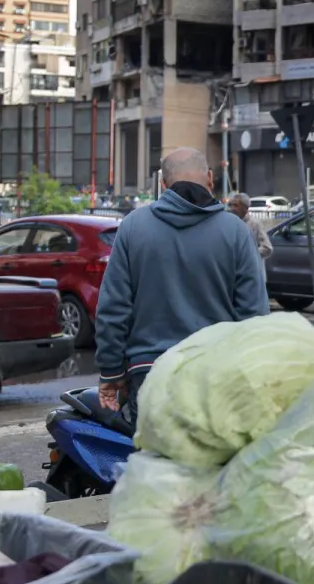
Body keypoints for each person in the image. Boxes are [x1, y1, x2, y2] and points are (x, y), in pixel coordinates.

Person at [95, 148, 270, 416]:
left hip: (149, 373)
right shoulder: (235, 231)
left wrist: (111, 371)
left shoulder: (133, 226)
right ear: (210, 178)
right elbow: (254, 315)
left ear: (163, 184)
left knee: (151, 457)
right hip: (215, 375)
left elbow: (113, 307)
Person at [226, 192, 273, 261]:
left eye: (236, 205)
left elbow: (267, 248)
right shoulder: (230, 223)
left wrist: (248, 254)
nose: (232, 208)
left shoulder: (255, 224)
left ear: (245, 207)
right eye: (231, 205)